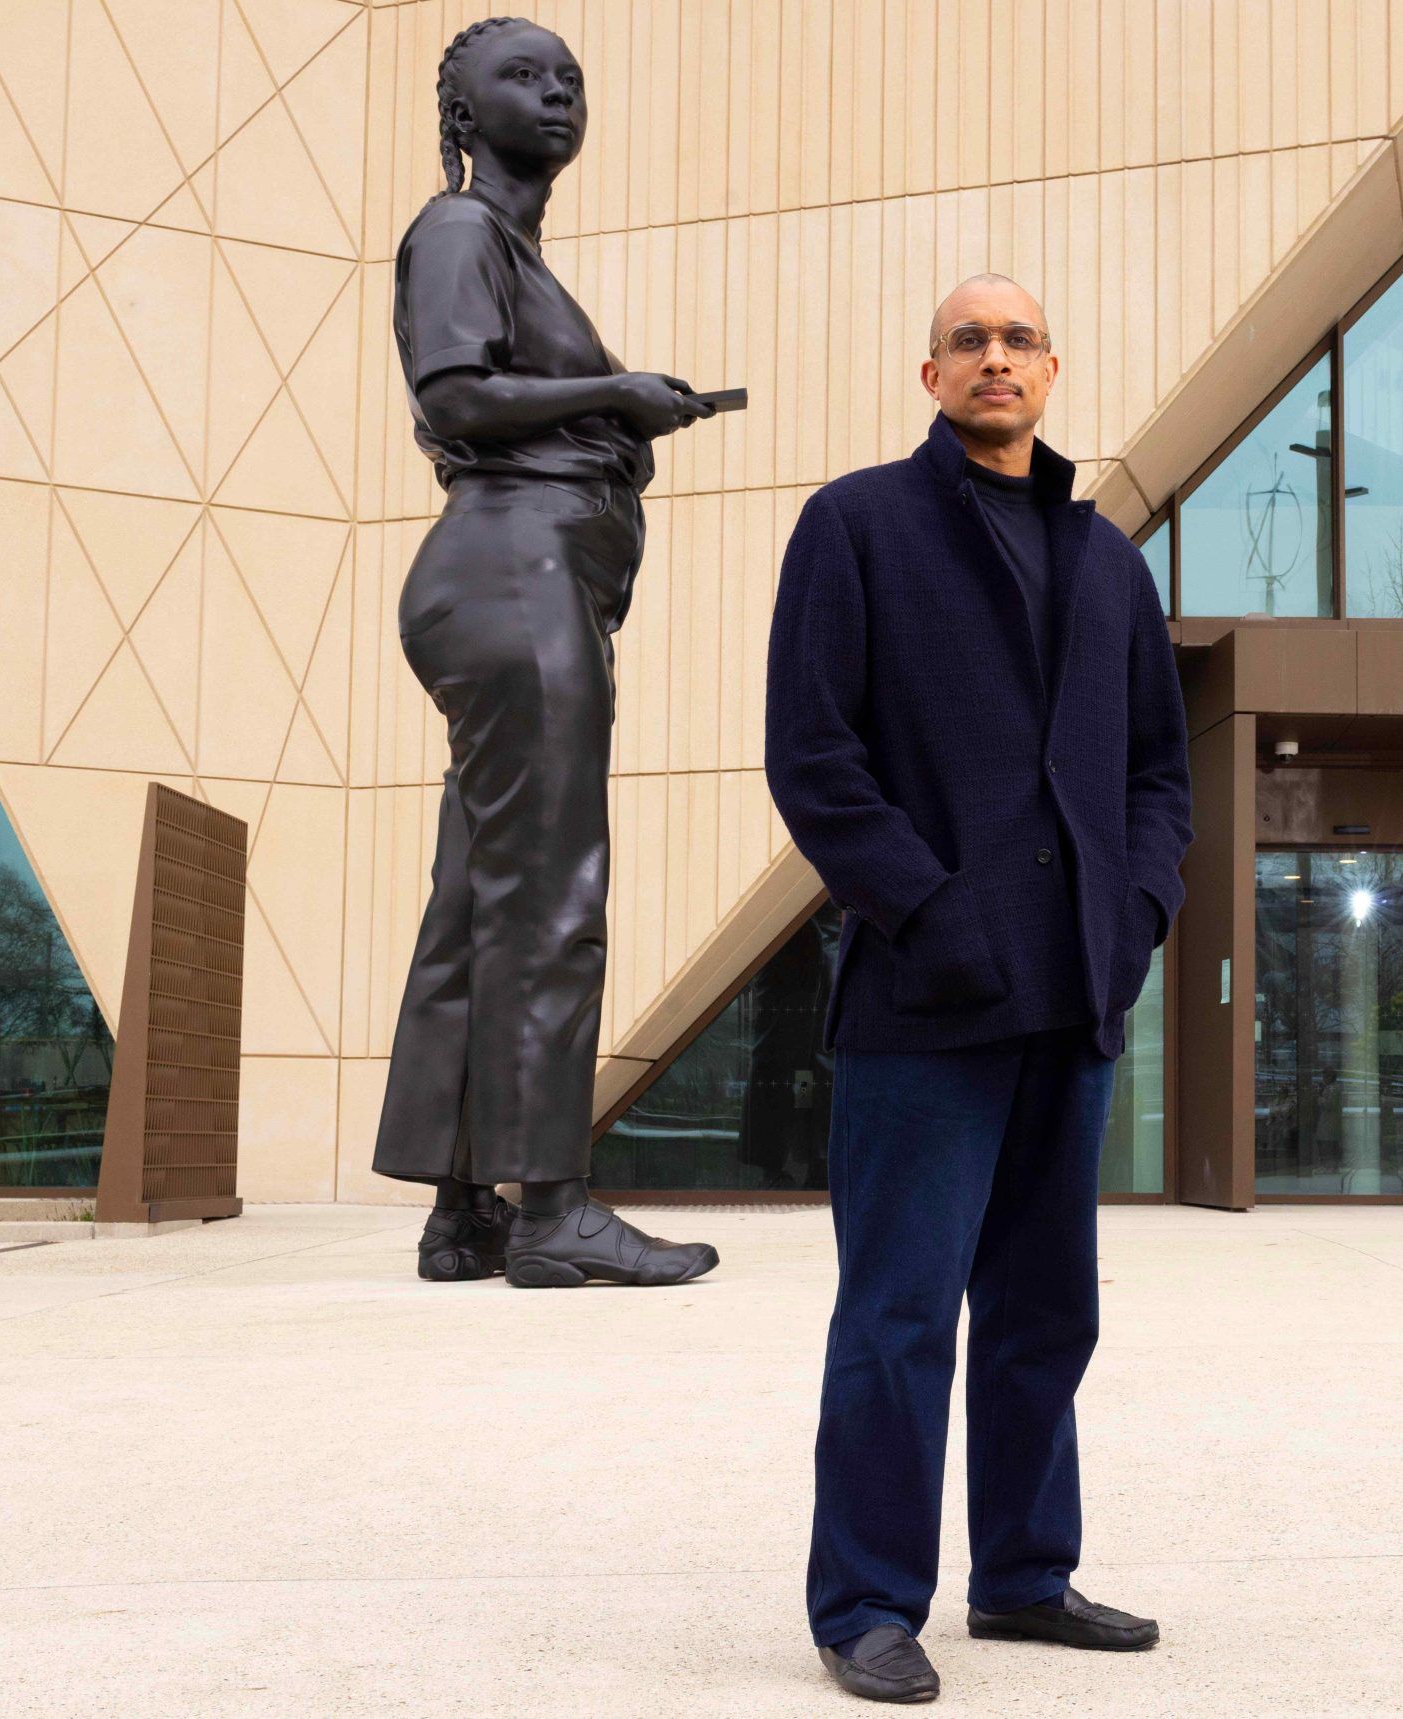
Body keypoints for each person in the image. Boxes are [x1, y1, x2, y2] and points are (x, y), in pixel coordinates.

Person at [765, 275, 1194, 1704]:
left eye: (1018, 340)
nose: (994, 357)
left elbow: (1155, 778)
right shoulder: (857, 528)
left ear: (1054, 370)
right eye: (970, 339)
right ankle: (869, 1600)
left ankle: (1022, 1574)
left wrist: (1134, 913)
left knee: (1043, 1311)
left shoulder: (1108, 560)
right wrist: (929, 912)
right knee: (900, 1310)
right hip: (924, 1003)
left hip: (1073, 1000)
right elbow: (814, 756)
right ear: (930, 372)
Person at [369, 16, 720, 1291]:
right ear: (462, 113)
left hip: (519, 574)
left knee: (479, 894)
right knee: (555, 894)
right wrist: (614, 395)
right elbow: (452, 399)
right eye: (524, 76)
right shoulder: (460, 230)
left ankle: (461, 1210)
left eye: (571, 78)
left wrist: (623, 405)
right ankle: (554, 1207)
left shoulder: (510, 251)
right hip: (512, 570)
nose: (558, 94)